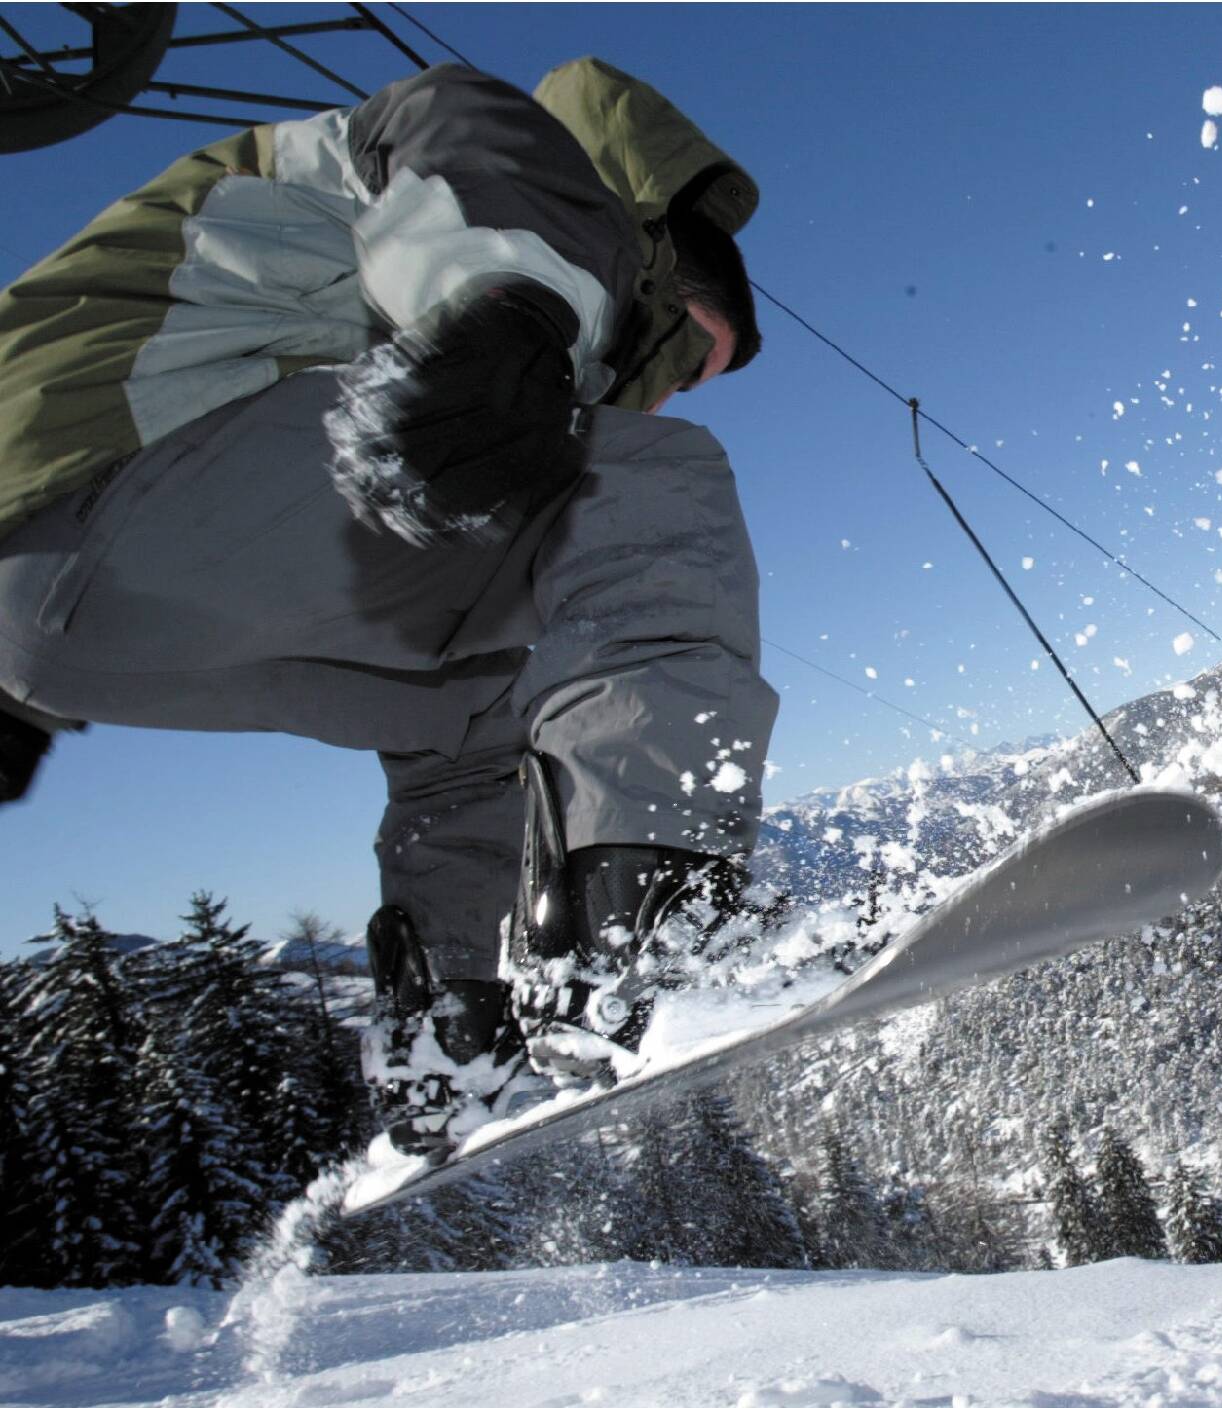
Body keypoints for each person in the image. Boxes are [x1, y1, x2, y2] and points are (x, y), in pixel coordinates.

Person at [0, 58, 779, 1154]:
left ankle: (446, 1035)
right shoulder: (500, 171)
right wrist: (512, 304)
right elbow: (455, 130)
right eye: (697, 350)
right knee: (653, 483)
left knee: (485, 702)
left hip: (71, 612)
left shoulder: (502, 329)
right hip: (123, 463)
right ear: (662, 261)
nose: (687, 378)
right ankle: (663, 924)